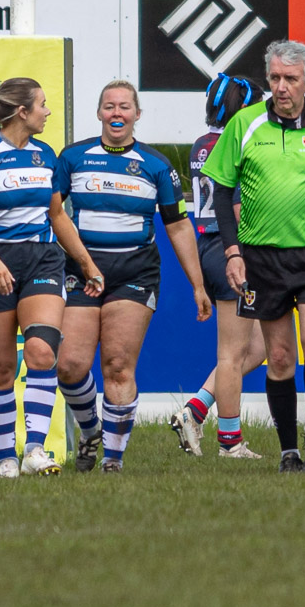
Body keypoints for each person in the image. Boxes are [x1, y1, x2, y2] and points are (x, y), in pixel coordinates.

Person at [203, 40, 305, 473]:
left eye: (290, 79)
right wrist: (232, 252)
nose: (281, 87)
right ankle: (288, 450)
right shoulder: (245, 124)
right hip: (260, 255)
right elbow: (221, 191)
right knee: (278, 357)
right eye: (274, 78)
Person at [56, 80, 212, 473]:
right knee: (69, 365)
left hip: (134, 273)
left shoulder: (157, 166)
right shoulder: (72, 157)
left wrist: (198, 284)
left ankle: (112, 459)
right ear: (98, 113)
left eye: (125, 107)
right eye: (109, 106)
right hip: (81, 271)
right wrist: (83, 263)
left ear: (137, 115)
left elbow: (178, 226)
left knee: (118, 365)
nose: (117, 114)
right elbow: (54, 214)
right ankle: (91, 430)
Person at [0, 78, 103, 479]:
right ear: (22, 112)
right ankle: (6, 459)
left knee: (41, 352)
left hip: (43, 261)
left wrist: (87, 263)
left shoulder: (45, 154)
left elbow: (57, 216)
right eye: (42, 104)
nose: (47, 112)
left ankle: (35, 449)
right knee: (1, 368)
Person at [170, 73, 271, 459]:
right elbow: (242, 206)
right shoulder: (241, 141)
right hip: (232, 248)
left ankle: (194, 410)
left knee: (257, 349)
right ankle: (230, 441)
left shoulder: (202, 143)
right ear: (241, 107)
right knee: (230, 354)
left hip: (209, 245)